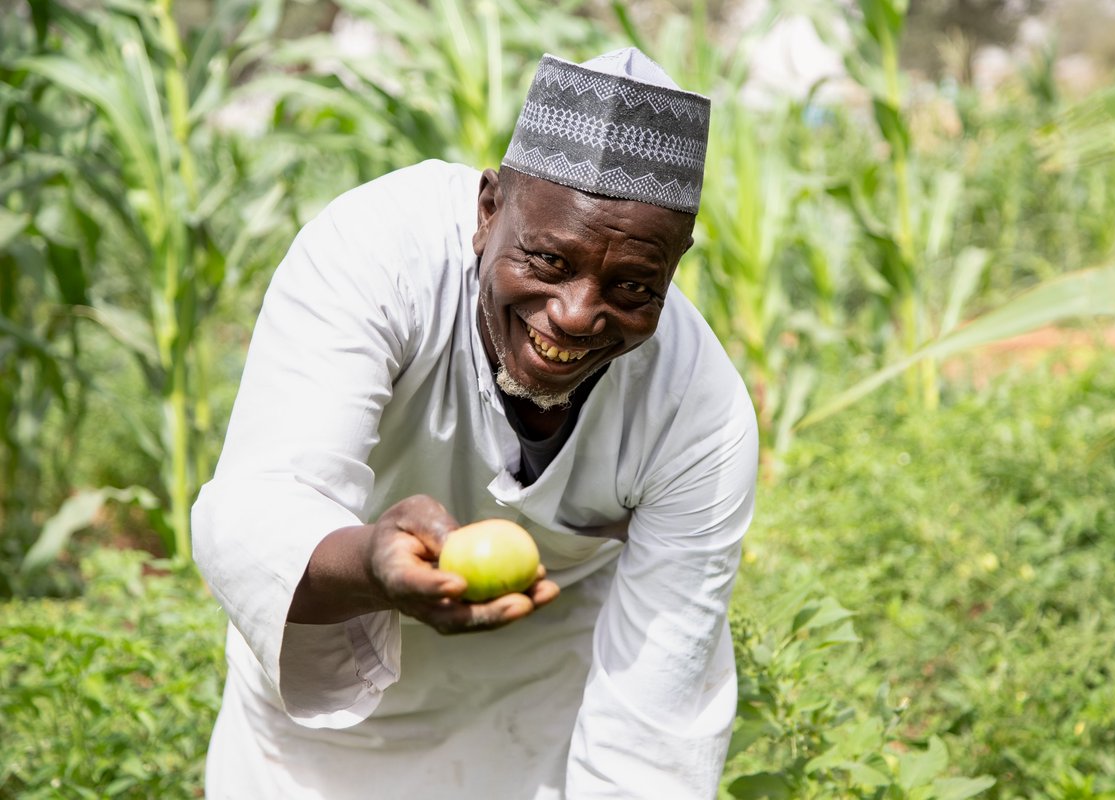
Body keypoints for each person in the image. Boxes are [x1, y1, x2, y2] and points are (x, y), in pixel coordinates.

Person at [193, 46, 758, 799]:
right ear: (488, 208)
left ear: (677, 264)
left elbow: (658, 721)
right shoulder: (375, 255)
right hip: (319, 727)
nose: (576, 315)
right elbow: (256, 512)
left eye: (631, 285)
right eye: (550, 262)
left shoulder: (699, 414)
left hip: (538, 713)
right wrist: (374, 566)